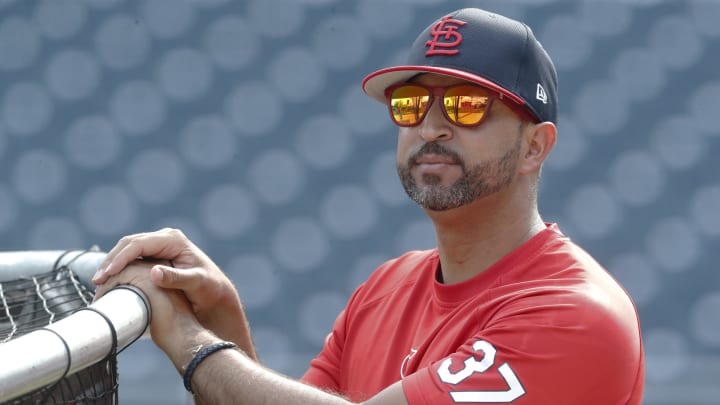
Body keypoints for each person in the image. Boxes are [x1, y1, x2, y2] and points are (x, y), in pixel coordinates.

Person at [93, 7, 645, 405]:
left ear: (535, 146)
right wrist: (221, 322)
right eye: (410, 104)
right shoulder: (386, 287)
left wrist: (189, 340)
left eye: (467, 105)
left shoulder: (576, 316)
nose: (430, 126)